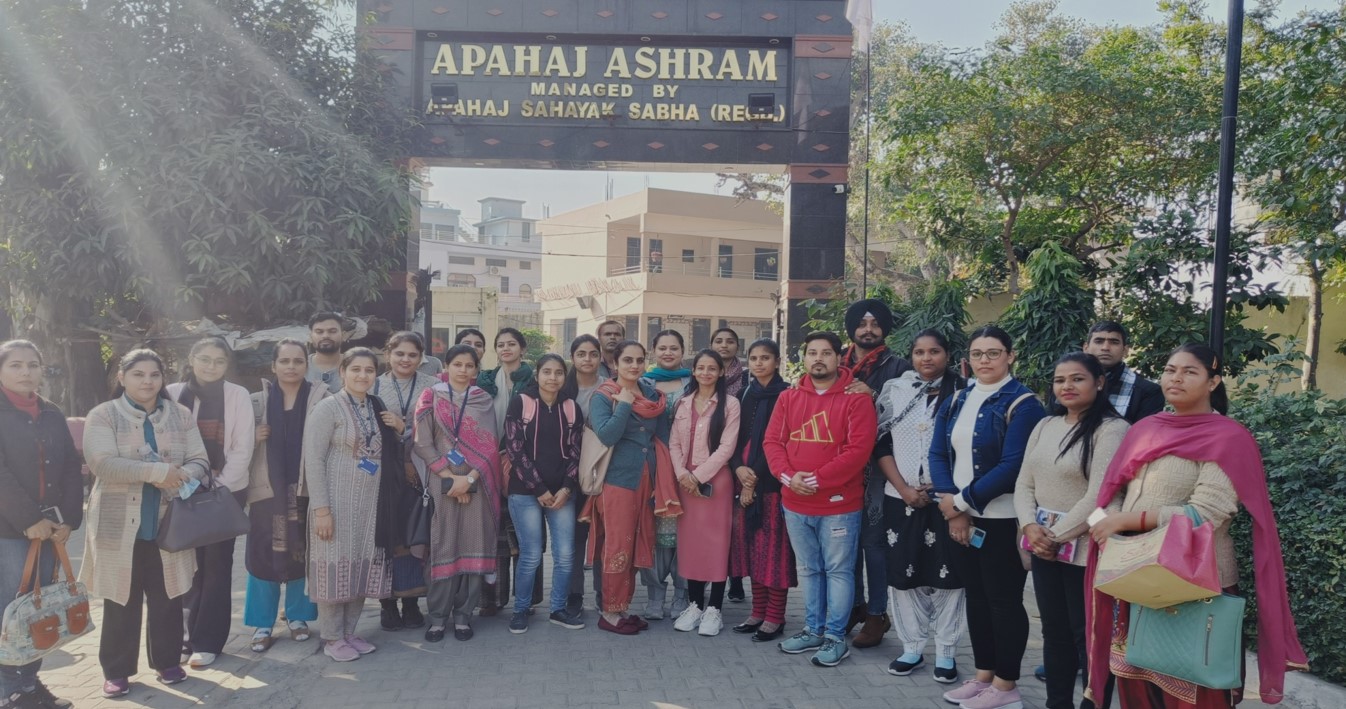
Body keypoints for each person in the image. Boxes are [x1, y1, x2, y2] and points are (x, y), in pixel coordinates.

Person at [1086, 344, 1308, 709]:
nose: (1176, 378)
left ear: (1213, 382)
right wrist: (1106, 523)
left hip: (1197, 581)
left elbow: (1208, 512)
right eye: (1170, 369)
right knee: (1135, 682)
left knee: (1194, 690)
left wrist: (1126, 520)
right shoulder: (1145, 429)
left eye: (1190, 372)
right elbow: (1112, 489)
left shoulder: (1228, 438)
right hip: (1135, 575)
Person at [82, 349, 210, 697]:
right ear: (121, 377)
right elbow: (102, 463)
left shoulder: (180, 415)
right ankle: (117, 671)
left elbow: (200, 459)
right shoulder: (104, 415)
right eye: (138, 374)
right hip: (118, 524)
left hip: (170, 523)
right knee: (120, 599)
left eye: (154, 374)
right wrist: (158, 472)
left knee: (168, 596)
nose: (147, 381)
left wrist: (184, 474)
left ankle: (167, 663)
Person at [931, 325, 1046, 709]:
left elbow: (1013, 466)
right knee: (977, 599)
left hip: (1003, 518)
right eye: (978, 353)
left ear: (1010, 356)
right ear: (968, 358)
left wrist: (961, 503)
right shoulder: (957, 399)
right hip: (959, 516)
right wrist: (952, 507)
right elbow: (938, 454)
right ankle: (983, 676)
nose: (985, 360)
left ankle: (1006, 685)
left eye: (994, 353)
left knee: (1003, 601)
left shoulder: (1024, 404)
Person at [1015, 353, 1128, 709]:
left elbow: (1102, 495)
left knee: (1089, 637)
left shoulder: (1112, 429)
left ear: (1099, 382)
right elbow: (1024, 483)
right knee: (1054, 633)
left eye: (1077, 378)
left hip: (1087, 549)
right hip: (1044, 547)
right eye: (1060, 379)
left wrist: (1054, 536)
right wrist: (1029, 526)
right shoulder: (1045, 425)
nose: (1067, 386)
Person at [766, 331, 878, 668]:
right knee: (809, 570)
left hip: (838, 505)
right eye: (812, 352)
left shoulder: (856, 399)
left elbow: (858, 451)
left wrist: (815, 480)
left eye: (826, 353)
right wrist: (789, 477)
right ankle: (813, 630)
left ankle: (835, 637)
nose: (818, 359)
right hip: (794, 502)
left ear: (838, 357)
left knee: (839, 571)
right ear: (804, 358)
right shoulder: (788, 398)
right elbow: (773, 442)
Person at [873, 329, 967, 683]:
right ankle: (911, 647)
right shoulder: (896, 390)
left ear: (947, 355)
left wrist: (945, 489)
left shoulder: (964, 392)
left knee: (949, 577)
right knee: (903, 575)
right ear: (911, 356)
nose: (927, 358)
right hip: (901, 499)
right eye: (919, 352)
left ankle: (946, 652)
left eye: (934, 351)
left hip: (949, 501)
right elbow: (881, 445)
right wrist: (904, 488)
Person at [0, 341, 83, 709]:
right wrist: (29, 520)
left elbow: (70, 466)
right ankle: (9, 691)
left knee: (38, 608)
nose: (26, 372)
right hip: (9, 530)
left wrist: (68, 520)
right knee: (11, 610)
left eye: (33, 365)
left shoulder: (50, 411)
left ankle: (29, 684)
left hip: (50, 529)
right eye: (15, 365)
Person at [165, 337, 255, 669]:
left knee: (216, 566)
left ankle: (208, 641)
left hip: (224, 492)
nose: (211, 366)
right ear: (191, 358)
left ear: (227, 364)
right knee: (184, 566)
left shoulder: (237, 395)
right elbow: (163, 440)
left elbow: (243, 447)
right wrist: (183, 483)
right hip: (178, 490)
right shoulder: (172, 393)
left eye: (219, 361)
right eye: (204, 359)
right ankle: (183, 638)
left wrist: (216, 487)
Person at [304, 348, 399, 662]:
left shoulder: (376, 406)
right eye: (356, 369)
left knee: (360, 565)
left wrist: (399, 427)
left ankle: (349, 632)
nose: (362, 375)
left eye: (369, 370)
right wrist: (321, 510)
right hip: (335, 503)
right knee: (334, 566)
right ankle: (332, 637)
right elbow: (313, 460)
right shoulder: (327, 407)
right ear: (342, 372)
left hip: (371, 506)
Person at [414, 344, 502, 643]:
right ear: (447, 366)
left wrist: (469, 480)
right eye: (458, 364)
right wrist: (451, 479)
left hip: (478, 485)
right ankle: (438, 618)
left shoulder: (482, 399)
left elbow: (490, 446)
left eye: (469, 365)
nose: (463, 370)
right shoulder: (430, 396)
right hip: (441, 483)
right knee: (443, 545)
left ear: (476, 369)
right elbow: (422, 442)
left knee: (473, 545)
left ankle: (464, 616)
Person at [243, 339, 325, 654]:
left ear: (307, 364)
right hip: (266, 492)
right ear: (273, 365)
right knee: (261, 554)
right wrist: (253, 437)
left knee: (302, 551)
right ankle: (262, 623)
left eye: (298, 361)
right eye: (284, 361)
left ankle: (298, 616)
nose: (291, 367)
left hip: (305, 489)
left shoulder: (321, 399)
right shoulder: (255, 402)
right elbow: (234, 445)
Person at [583, 340, 668, 635]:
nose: (634, 365)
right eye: (627, 360)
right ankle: (609, 611)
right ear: (615, 364)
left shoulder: (652, 395)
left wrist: (662, 481)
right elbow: (607, 435)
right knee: (617, 546)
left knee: (635, 546)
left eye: (639, 360)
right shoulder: (603, 396)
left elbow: (661, 439)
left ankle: (623, 608)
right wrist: (624, 404)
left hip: (647, 480)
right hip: (617, 481)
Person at [840, 298, 912, 648]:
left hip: (880, 466)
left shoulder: (899, 367)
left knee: (873, 543)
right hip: (840, 466)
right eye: (861, 323)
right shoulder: (836, 364)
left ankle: (877, 613)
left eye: (875, 323)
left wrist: (874, 394)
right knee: (846, 542)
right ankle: (854, 605)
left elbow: (909, 414)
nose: (868, 330)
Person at [503, 354, 587, 634]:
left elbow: (576, 452)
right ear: (537, 375)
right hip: (525, 492)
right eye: (547, 372)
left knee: (565, 555)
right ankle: (520, 610)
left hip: (563, 494)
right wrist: (539, 489)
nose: (553, 377)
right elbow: (515, 450)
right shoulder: (521, 403)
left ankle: (558, 609)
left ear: (565, 376)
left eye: (559, 372)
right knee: (530, 555)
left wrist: (566, 488)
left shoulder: (571, 407)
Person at [669, 350, 741, 637]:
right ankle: (695, 605)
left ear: (721, 372)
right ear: (694, 371)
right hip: (686, 483)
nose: (706, 373)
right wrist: (682, 475)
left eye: (712, 368)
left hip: (715, 483)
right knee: (691, 545)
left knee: (716, 544)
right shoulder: (682, 403)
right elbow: (674, 443)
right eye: (701, 367)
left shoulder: (730, 404)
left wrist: (698, 476)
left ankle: (714, 609)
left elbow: (727, 448)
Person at [727, 339, 796, 643]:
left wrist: (752, 479)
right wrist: (738, 470)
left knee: (774, 553)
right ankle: (757, 611)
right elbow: (733, 437)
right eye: (753, 358)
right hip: (742, 479)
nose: (758, 363)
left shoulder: (788, 394)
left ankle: (775, 616)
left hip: (772, 485)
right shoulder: (745, 394)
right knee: (753, 550)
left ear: (777, 361)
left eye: (765, 358)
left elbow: (782, 442)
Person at [372, 331, 440, 632]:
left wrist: (405, 430)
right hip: (382, 474)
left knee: (414, 535)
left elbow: (437, 428)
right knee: (387, 537)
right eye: (399, 353)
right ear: (388, 354)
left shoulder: (432, 386)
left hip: (419, 473)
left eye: (412, 355)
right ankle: (387, 604)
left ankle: (411, 603)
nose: (405, 360)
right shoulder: (373, 384)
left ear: (421, 358)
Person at [477, 328, 537, 615]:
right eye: (500, 344)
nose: (506, 348)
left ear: (522, 348)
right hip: (489, 462)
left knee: (526, 536)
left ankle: (527, 600)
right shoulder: (485, 380)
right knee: (495, 535)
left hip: (524, 463)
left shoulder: (534, 380)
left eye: (511, 343)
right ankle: (493, 599)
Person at [641, 329, 690, 620]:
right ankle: (655, 595)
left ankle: (682, 594)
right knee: (653, 531)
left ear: (683, 351)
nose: (668, 353)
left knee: (685, 531)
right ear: (654, 351)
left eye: (674, 348)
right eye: (662, 348)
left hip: (686, 467)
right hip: (653, 465)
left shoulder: (693, 382)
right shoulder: (643, 383)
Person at [560, 334, 604, 617]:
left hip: (603, 472)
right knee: (575, 537)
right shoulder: (562, 389)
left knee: (602, 536)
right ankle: (574, 593)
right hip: (570, 474)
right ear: (572, 358)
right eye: (581, 354)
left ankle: (603, 591)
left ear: (600, 357)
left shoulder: (609, 388)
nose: (587, 359)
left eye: (593, 354)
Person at [711, 327, 750, 603]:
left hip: (739, 458)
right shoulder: (706, 374)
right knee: (714, 522)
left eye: (730, 341)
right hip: (709, 459)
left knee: (736, 523)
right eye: (718, 341)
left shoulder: (747, 379)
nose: (724, 345)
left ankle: (735, 578)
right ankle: (712, 575)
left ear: (738, 346)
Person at [1082, 322, 1164, 424]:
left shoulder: (1148, 392)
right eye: (1099, 341)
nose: (1105, 347)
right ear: (1086, 348)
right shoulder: (1069, 384)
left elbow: (1144, 432)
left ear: (1125, 350)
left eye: (1114, 342)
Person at [306, 312, 347, 394]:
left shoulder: (355, 365)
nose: (325, 336)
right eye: (319, 332)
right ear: (310, 337)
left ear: (343, 335)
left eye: (332, 331)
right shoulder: (301, 366)